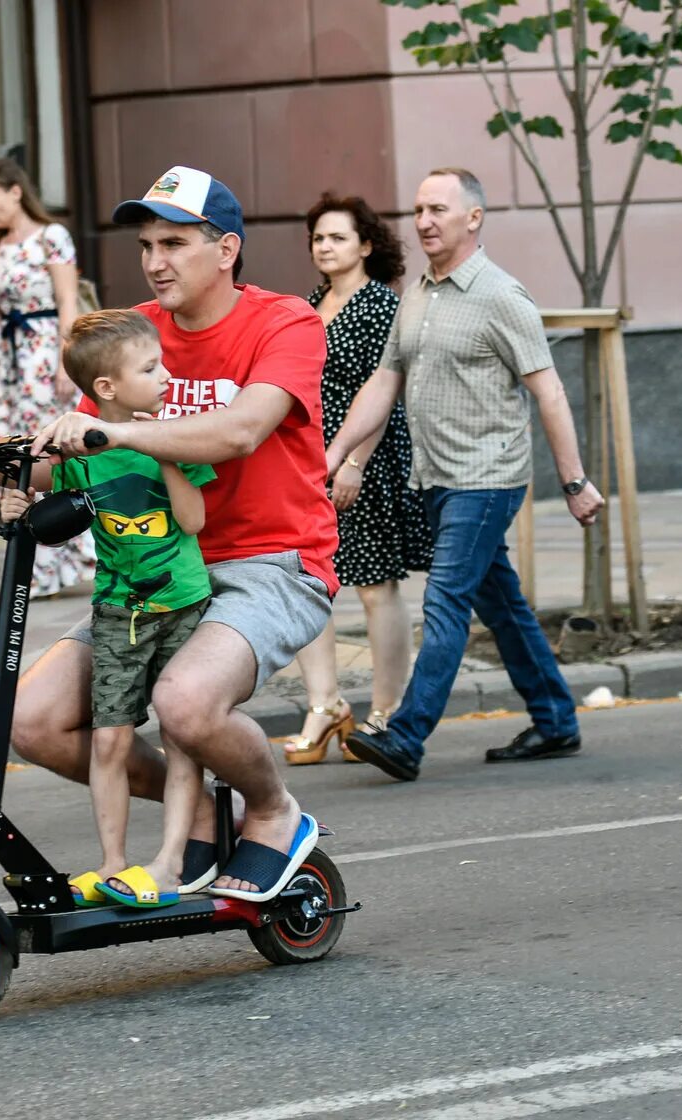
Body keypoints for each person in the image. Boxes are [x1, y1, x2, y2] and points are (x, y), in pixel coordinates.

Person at [0, 164, 336, 901]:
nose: (154, 260)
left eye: (174, 243)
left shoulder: (284, 323)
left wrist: (115, 434)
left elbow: (241, 431)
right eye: (146, 245)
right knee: (36, 720)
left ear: (227, 249)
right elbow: (79, 458)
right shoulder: (134, 334)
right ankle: (204, 804)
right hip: (153, 567)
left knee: (185, 703)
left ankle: (272, 810)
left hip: (271, 563)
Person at [326, 167, 606, 782]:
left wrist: (574, 482)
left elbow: (550, 392)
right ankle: (557, 720)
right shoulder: (418, 292)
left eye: (438, 211)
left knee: (446, 600)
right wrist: (338, 453)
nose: (424, 222)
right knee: (503, 607)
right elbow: (384, 381)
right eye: (419, 210)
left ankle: (406, 735)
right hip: (435, 476)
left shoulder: (502, 296)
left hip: (487, 478)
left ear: (473, 218)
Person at [0, 310, 216, 908]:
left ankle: (169, 863)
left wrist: (164, 447)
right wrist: (19, 508)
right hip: (118, 611)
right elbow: (58, 521)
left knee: (181, 737)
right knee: (109, 743)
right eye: (151, 368)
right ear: (106, 389)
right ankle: (112, 865)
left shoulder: (176, 434)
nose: (167, 375)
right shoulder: (80, 453)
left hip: (181, 604)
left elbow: (195, 520)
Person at [273, 194, 431, 766]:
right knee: (309, 583)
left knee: (374, 586)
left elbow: (382, 393)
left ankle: (386, 712)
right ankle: (326, 704)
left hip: (364, 459)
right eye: (318, 238)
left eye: (337, 237)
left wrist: (354, 464)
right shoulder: (312, 303)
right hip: (308, 461)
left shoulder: (378, 306)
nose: (324, 246)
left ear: (366, 245)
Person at [0, 157, 97, 599]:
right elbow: (2, 304)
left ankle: (50, 565)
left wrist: (68, 359)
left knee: (38, 454)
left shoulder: (53, 237)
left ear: (15, 192)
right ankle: (52, 553)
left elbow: (68, 300)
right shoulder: (4, 244)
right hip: (9, 360)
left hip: (43, 357)